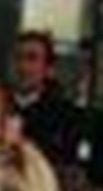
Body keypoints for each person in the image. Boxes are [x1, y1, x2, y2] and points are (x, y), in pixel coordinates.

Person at [10, 30, 83, 167]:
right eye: (18, 57)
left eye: (32, 58)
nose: (23, 66)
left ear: (49, 69)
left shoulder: (65, 116)